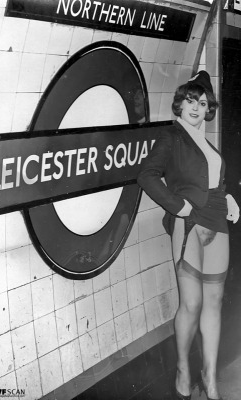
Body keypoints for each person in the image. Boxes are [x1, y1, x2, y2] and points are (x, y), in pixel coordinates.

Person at [137, 71, 240, 400]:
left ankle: (209, 379)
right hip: (188, 221)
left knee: (213, 301)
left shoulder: (207, 144)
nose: (198, 107)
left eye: (204, 102)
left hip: (216, 217)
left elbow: (214, 182)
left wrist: (228, 197)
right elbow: (146, 175)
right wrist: (174, 205)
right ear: (179, 105)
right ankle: (183, 368)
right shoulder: (171, 137)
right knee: (192, 303)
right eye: (191, 101)